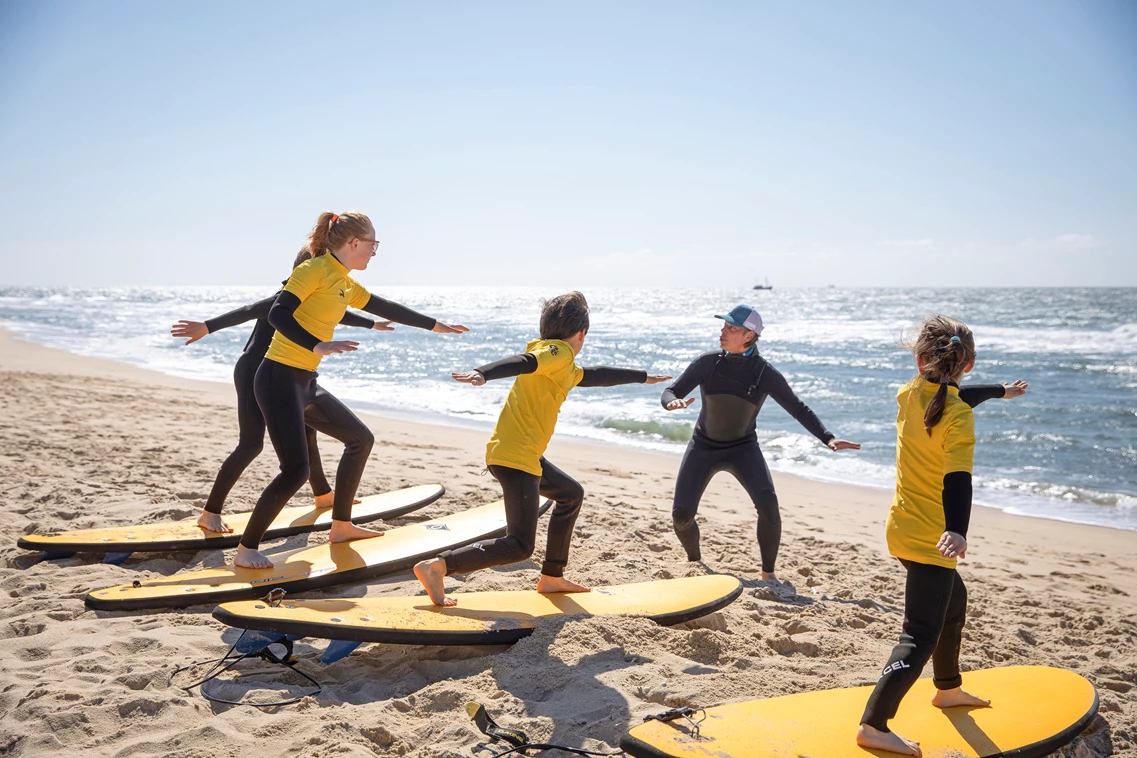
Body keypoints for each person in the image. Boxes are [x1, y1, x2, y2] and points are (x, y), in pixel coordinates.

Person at [235, 211, 468, 569]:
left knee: (360, 438)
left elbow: (383, 306)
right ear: (354, 243)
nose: (375, 251)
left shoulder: (343, 280)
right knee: (295, 471)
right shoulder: (312, 270)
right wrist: (316, 345)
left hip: (305, 381)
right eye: (373, 244)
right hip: (277, 378)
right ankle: (247, 548)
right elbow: (279, 314)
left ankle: (341, 525)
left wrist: (435, 325)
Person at [413, 291, 670, 606]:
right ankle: (439, 566)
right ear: (582, 334)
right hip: (517, 458)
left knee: (570, 494)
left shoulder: (562, 366)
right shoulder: (557, 353)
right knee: (519, 546)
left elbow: (597, 375)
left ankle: (552, 576)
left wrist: (642, 377)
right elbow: (525, 362)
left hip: (520, 454)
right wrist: (484, 372)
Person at [856, 315, 1003, 756]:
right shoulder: (957, 414)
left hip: (902, 528)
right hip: (933, 538)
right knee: (919, 632)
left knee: (953, 603)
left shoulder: (907, 395)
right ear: (969, 364)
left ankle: (947, 687)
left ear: (920, 360)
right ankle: (874, 724)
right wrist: (957, 530)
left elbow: (948, 394)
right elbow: (958, 480)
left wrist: (998, 392)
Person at [171, 246, 391, 534]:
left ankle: (323, 495)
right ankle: (210, 512)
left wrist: (371, 323)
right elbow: (249, 310)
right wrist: (208, 327)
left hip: (288, 374)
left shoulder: (318, 296)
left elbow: (339, 313)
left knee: (307, 431)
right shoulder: (286, 296)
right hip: (256, 371)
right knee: (251, 444)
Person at [660, 305, 859, 580]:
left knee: (768, 505)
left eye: (731, 328)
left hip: (743, 448)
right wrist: (672, 403)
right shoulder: (708, 363)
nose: (722, 331)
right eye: (724, 326)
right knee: (681, 516)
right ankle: (694, 561)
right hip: (703, 446)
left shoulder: (764, 373)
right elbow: (672, 390)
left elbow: (797, 408)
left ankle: (768, 574)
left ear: (749, 335)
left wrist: (828, 438)